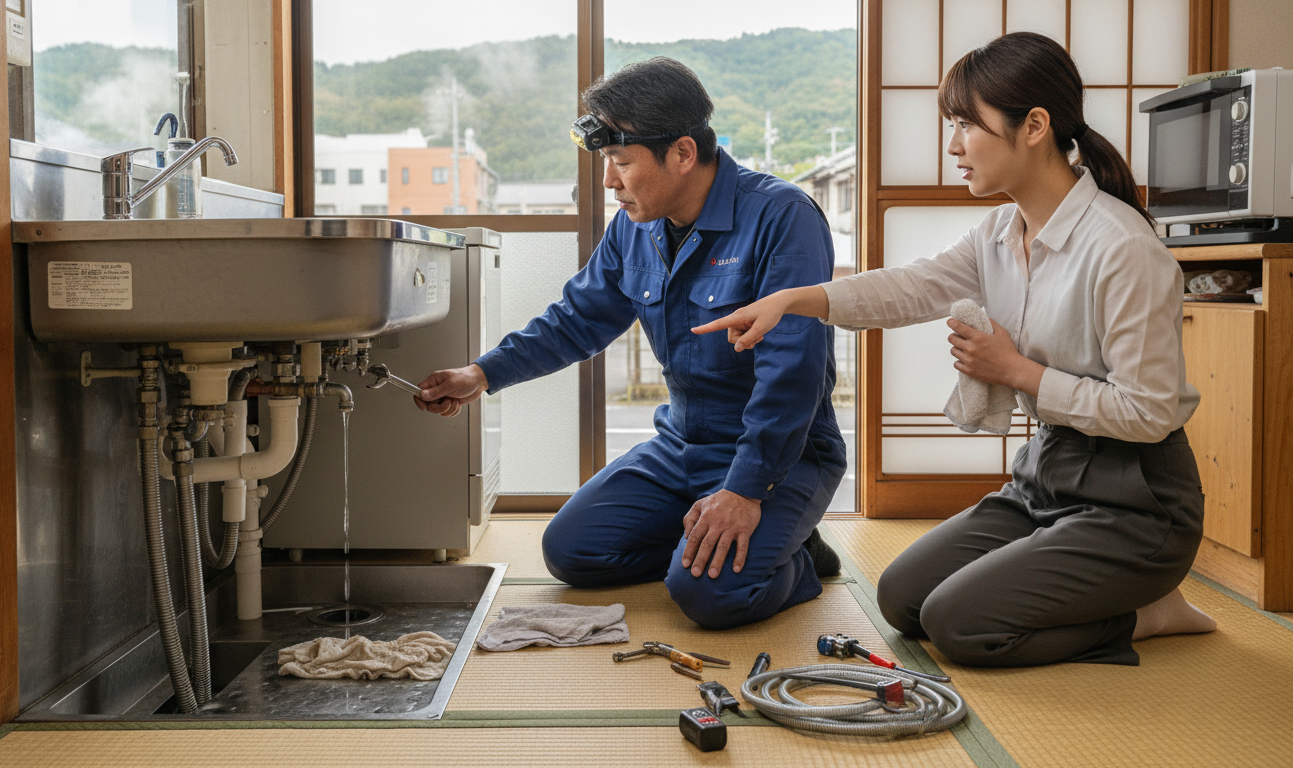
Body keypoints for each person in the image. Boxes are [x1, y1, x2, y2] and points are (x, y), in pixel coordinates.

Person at [694, 32, 1217, 666]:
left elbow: (1151, 411)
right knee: (901, 598)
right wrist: (794, 299)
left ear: (1034, 126)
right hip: (1044, 478)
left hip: (1136, 502)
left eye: (966, 125)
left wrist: (1016, 371)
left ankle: (1142, 613)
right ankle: (1096, 595)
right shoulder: (1001, 230)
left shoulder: (1122, 248)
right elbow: (915, 287)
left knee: (960, 625)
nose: (952, 145)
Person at [413, 57, 847, 630]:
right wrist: (481, 374)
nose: (610, 182)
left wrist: (745, 491)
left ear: (684, 153)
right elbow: (575, 320)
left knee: (708, 598)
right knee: (571, 552)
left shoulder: (781, 216)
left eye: (621, 163)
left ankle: (794, 556)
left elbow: (793, 374)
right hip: (682, 444)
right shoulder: (634, 227)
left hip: (779, 457)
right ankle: (719, 544)